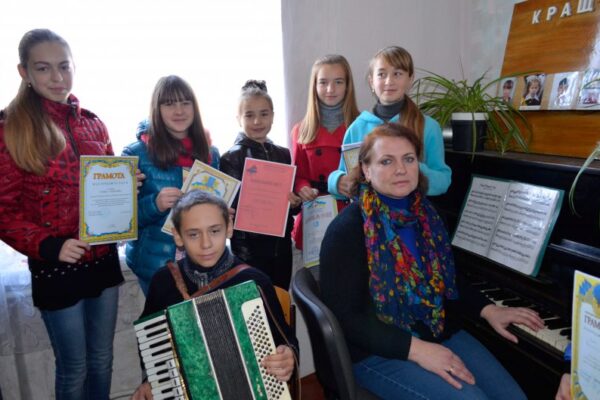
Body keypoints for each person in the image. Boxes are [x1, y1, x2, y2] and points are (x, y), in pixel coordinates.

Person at [320, 122, 546, 399]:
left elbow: (448, 279)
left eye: (408, 159)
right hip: (375, 350)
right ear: (366, 170)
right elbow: (347, 317)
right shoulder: (346, 230)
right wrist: (417, 350)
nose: (401, 169)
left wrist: (488, 309)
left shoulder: (428, 216)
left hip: (434, 329)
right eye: (386, 161)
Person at [0, 29, 124, 399]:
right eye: (43, 68)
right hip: (56, 266)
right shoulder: (10, 129)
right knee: (74, 369)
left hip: (102, 258)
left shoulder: (93, 122)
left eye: (64, 66)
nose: (57, 77)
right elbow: (4, 211)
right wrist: (50, 246)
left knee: (102, 359)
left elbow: (107, 187)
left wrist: (125, 186)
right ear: (24, 72)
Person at [131, 190, 298, 399]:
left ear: (229, 228)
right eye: (193, 234)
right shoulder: (164, 282)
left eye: (214, 231)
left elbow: (286, 340)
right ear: (178, 236)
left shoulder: (254, 281)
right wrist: (152, 380)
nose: (206, 244)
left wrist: (288, 356)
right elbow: (152, 346)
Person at [122, 75, 219, 296]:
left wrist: (221, 213)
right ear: (157, 109)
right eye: (169, 104)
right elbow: (121, 221)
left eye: (185, 102)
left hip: (201, 260)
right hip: (156, 265)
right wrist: (155, 205)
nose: (179, 111)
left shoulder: (210, 153)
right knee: (164, 320)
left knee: (201, 319)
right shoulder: (135, 154)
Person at [327, 45, 451, 199]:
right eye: (381, 74)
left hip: (412, 212)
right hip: (366, 212)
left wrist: (410, 166)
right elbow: (345, 180)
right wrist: (336, 182)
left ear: (410, 79)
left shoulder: (428, 127)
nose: (389, 81)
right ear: (371, 82)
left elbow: (443, 182)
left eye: (397, 74)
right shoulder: (356, 128)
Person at [220, 80, 301, 289]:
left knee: (281, 299)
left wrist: (294, 203)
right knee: (255, 303)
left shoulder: (283, 154)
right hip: (249, 252)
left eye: (264, 114)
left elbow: (291, 206)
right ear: (238, 119)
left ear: (272, 116)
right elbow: (229, 211)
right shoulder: (231, 158)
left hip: (281, 248)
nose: (257, 121)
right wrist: (242, 253)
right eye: (249, 115)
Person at [291, 54, 359, 250]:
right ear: (314, 86)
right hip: (316, 212)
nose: (330, 89)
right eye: (323, 82)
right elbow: (298, 175)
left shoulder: (361, 126)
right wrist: (303, 188)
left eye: (338, 82)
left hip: (351, 212)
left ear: (348, 85)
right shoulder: (301, 130)